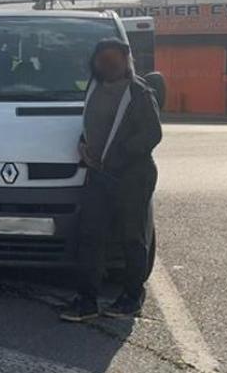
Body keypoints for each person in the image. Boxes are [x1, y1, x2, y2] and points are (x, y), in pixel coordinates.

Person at [60, 38, 162, 322]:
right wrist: (84, 144)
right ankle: (87, 300)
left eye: (114, 59)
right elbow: (91, 126)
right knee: (91, 235)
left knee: (132, 236)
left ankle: (131, 296)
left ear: (126, 60)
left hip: (133, 176)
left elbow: (152, 134)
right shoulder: (94, 88)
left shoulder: (138, 92)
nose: (108, 64)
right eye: (102, 59)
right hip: (99, 175)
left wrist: (118, 154)